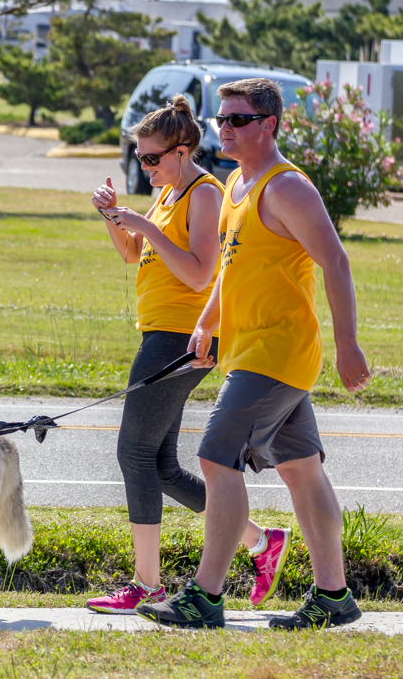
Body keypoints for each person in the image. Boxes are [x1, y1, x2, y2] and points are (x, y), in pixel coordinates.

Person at [137, 78, 371, 630]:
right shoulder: (239, 184)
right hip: (252, 350)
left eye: (238, 119)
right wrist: (206, 321)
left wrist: (347, 344)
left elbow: (335, 262)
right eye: (222, 119)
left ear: (268, 125)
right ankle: (333, 596)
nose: (224, 128)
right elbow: (232, 267)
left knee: (216, 460)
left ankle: (205, 596)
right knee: (301, 471)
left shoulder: (287, 188)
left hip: (277, 351)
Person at [85, 94, 288, 616]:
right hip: (161, 332)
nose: (144, 166)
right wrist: (114, 218)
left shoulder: (202, 193)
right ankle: (261, 543)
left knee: (133, 453)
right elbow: (134, 254)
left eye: (152, 158)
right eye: (139, 158)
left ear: (182, 149)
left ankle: (147, 584)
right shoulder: (170, 193)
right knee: (162, 465)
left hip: (180, 337)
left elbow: (201, 273)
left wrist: (147, 225)